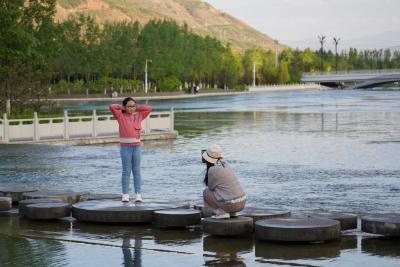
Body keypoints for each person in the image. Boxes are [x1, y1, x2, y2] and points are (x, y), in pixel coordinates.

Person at [109, 97, 152, 202]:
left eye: (133, 106)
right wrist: (122, 108)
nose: (131, 108)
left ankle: (138, 194)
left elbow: (149, 108)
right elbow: (111, 107)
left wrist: (136, 108)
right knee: (126, 171)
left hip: (137, 146)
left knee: (136, 171)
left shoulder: (139, 115)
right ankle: (125, 194)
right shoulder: (120, 116)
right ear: (125, 107)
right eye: (129, 106)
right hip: (125, 147)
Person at [202, 144, 246, 219]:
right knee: (226, 191)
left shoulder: (212, 170)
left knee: (206, 192)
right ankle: (233, 213)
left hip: (229, 205)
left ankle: (222, 213)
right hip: (242, 203)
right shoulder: (226, 165)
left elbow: (211, 188)